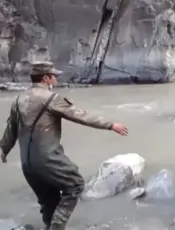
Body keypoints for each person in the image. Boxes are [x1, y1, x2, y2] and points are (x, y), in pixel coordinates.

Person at [0, 61, 128, 230]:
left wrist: (3, 150)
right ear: (46, 78)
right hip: (48, 160)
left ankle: (49, 226)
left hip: (27, 164)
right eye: (54, 76)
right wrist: (111, 125)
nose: (56, 80)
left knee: (49, 201)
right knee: (75, 185)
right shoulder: (52, 99)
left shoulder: (18, 100)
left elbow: (11, 131)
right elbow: (82, 116)